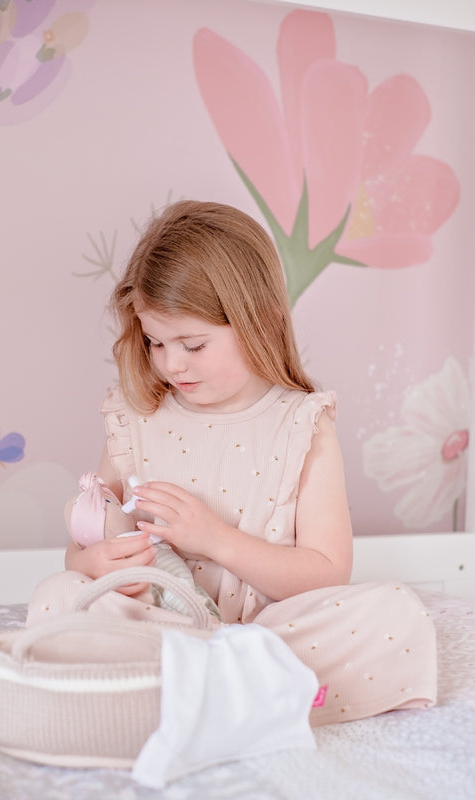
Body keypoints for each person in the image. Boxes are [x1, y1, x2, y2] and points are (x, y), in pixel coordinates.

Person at [28, 200, 436, 725]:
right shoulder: (135, 418)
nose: (172, 363)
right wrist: (93, 565)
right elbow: (88, 542)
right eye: (155, 342)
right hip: (162, 628)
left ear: (260, 321)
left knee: (395, 613)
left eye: (193, 344)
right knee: (57, 596)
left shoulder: (302, 425)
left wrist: (216, 539)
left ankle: (184, 696)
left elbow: (327, 573)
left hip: (268, 636)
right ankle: (238, 695)